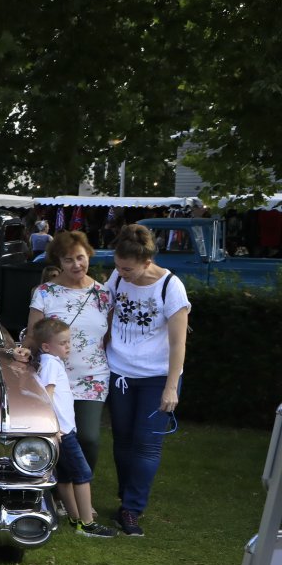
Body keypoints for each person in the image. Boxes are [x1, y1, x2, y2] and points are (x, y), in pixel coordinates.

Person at [103, 223, 191, 538]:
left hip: (157, 377)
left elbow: (178, 343)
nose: (121, 273)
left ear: (147, 262)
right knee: (123, 439)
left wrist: (171, 387)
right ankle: (126, 495)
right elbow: (107, 313)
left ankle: (132, 508)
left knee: (147, 444)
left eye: (128, 269)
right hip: (120, 372)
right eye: (118, 266)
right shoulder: (117, 278)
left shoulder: (171, 287)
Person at [25, 231, 111, 471]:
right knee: (56, 435)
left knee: (88, 438)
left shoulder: (103, 294)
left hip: (92, 377)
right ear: (59, 262)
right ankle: (59, 486)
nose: (76, 264)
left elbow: (109, 336)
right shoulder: (45, 292)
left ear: (89, 256)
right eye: (68, 260)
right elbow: (33, 335)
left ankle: (83, 483)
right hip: (54, 376)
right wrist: (23, 352)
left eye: (80, 257)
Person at [29, 319, 116, 537]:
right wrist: (55, 427)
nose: (68, 346)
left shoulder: (50, 361)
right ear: (46, 346)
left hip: (63, 431)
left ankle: (75, 518)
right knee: (83, 475)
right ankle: (87, 523)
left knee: (65, 477)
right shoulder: (50, 364)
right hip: (63, 433)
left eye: (69, 341)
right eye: (63, 343)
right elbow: (46, 397)